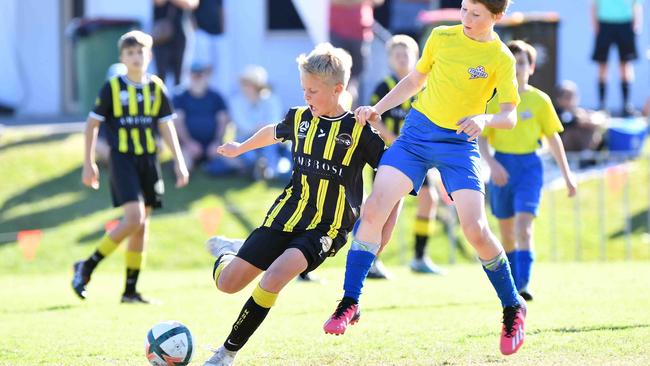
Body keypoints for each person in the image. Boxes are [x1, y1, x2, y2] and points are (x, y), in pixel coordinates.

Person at [323, 0, 528, 356]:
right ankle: (350, 301)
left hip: (459, 145)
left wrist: (484, 120)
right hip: (416, 136)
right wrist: (378, 108)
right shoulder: (441, 36)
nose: (465, 18)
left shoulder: (501, 58)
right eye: (463, 9)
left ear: (497, 17)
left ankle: (512, 307)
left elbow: (509, 115)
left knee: (476, 229)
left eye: (476, 14)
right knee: (374, 209)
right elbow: (416, 80)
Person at [201, 43, 398, 366]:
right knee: (228, 284)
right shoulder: (300, 118)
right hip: (287, 214)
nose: (306, 96)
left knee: (274, 277)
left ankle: (227, 353)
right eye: (304, 89)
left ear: (338, 89)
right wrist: (241, 147)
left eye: (313, 91)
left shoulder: (359, 130)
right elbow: (273, 132)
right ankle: (230, 252)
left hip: (327, 227)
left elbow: (392, 174)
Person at [71, 30, 189, 303]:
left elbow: (166, 125)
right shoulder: (113, 87)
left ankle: (130, 291)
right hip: (122, 159)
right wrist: (88, 163)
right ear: (122, 58)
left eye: (140, 52)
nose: (136, 57)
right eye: (130, 53)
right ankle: (87, 265)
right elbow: (92, 125)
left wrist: (180, 161)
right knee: (134, 218)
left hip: (149, 160)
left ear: (149, 55)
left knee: (142, 226)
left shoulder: (156, 87)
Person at [479, 40, 578, 302]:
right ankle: (511, 284)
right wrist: (493, 164)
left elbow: (554, 139)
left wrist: (568, 177)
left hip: (530, 168)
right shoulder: (495, 100)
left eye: (522, 62)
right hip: (502, 167)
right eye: (512, 63)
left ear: (531, 67)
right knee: (508, 232)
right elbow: (482, 139)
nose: (517, 68)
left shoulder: (539, 100)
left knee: (524, 228)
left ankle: (522, 284)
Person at [366, 34, 445, 279]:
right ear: (390, 59)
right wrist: (393, 138)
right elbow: (372, 119)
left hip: (418, 157)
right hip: (389, 156)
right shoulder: (384, 87)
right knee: (385, 210)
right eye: (397, 55)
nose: (402, 59)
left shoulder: (424, 85)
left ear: (416, 57)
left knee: (429, 198)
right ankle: (371, 260)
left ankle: (419, 257)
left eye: (406, 54)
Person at [205, 65, 289, 181]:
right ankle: (259, 168)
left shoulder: (271, 99)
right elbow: (242, 125)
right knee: (249, 155)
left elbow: (275, 123)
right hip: (244, 140)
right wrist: (262, 128)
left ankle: (269, 170)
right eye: (244, 83)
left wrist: (263, 130)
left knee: (271, 144)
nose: (245, 87)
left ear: (257, 85)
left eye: (248, 83)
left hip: (268, 140)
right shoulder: (236, 101)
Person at [173, 62, 230, 171]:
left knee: (236, 162)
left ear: (206, 76)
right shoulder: (179, 96)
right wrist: (189, 143)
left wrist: (216, 142)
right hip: (188, 146)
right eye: (194, 75)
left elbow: (223, 121)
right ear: (189, 75)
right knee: (183, 167)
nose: (197, 78)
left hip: (213, 145)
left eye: (200, 75)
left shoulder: (216, 96)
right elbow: (177, 122)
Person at [591, 0, 643, 116]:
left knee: (625, 65)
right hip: (604, 23)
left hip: (625, 23)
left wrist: (637, 24)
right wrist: (595, 25)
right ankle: (602, 105)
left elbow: (636, 4)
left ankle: (626, 105)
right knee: (603, 65)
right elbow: (594, 5)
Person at [329, 0, 384, 105]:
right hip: (338, 33)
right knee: (336, 75)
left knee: (358, 79)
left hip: (361, 33)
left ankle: (357, 115)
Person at [152, 0, 198, 87]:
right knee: (161, 75)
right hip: (161, 35)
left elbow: (191, 3)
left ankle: (178, 99)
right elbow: (158, 2)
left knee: (180, 75)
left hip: (181, 33)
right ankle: (161, 98)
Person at [555, 80, 605, 153]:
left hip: (584, 148)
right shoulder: (557, 112)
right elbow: (572, 121)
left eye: (573, 96)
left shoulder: (581, 111)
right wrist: (583, 120)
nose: (571, 100)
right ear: (559, 99)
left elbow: (600, 118)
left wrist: (592, 120)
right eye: (567, 97)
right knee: (574, 131)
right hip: (564, 150)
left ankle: (587, 154)